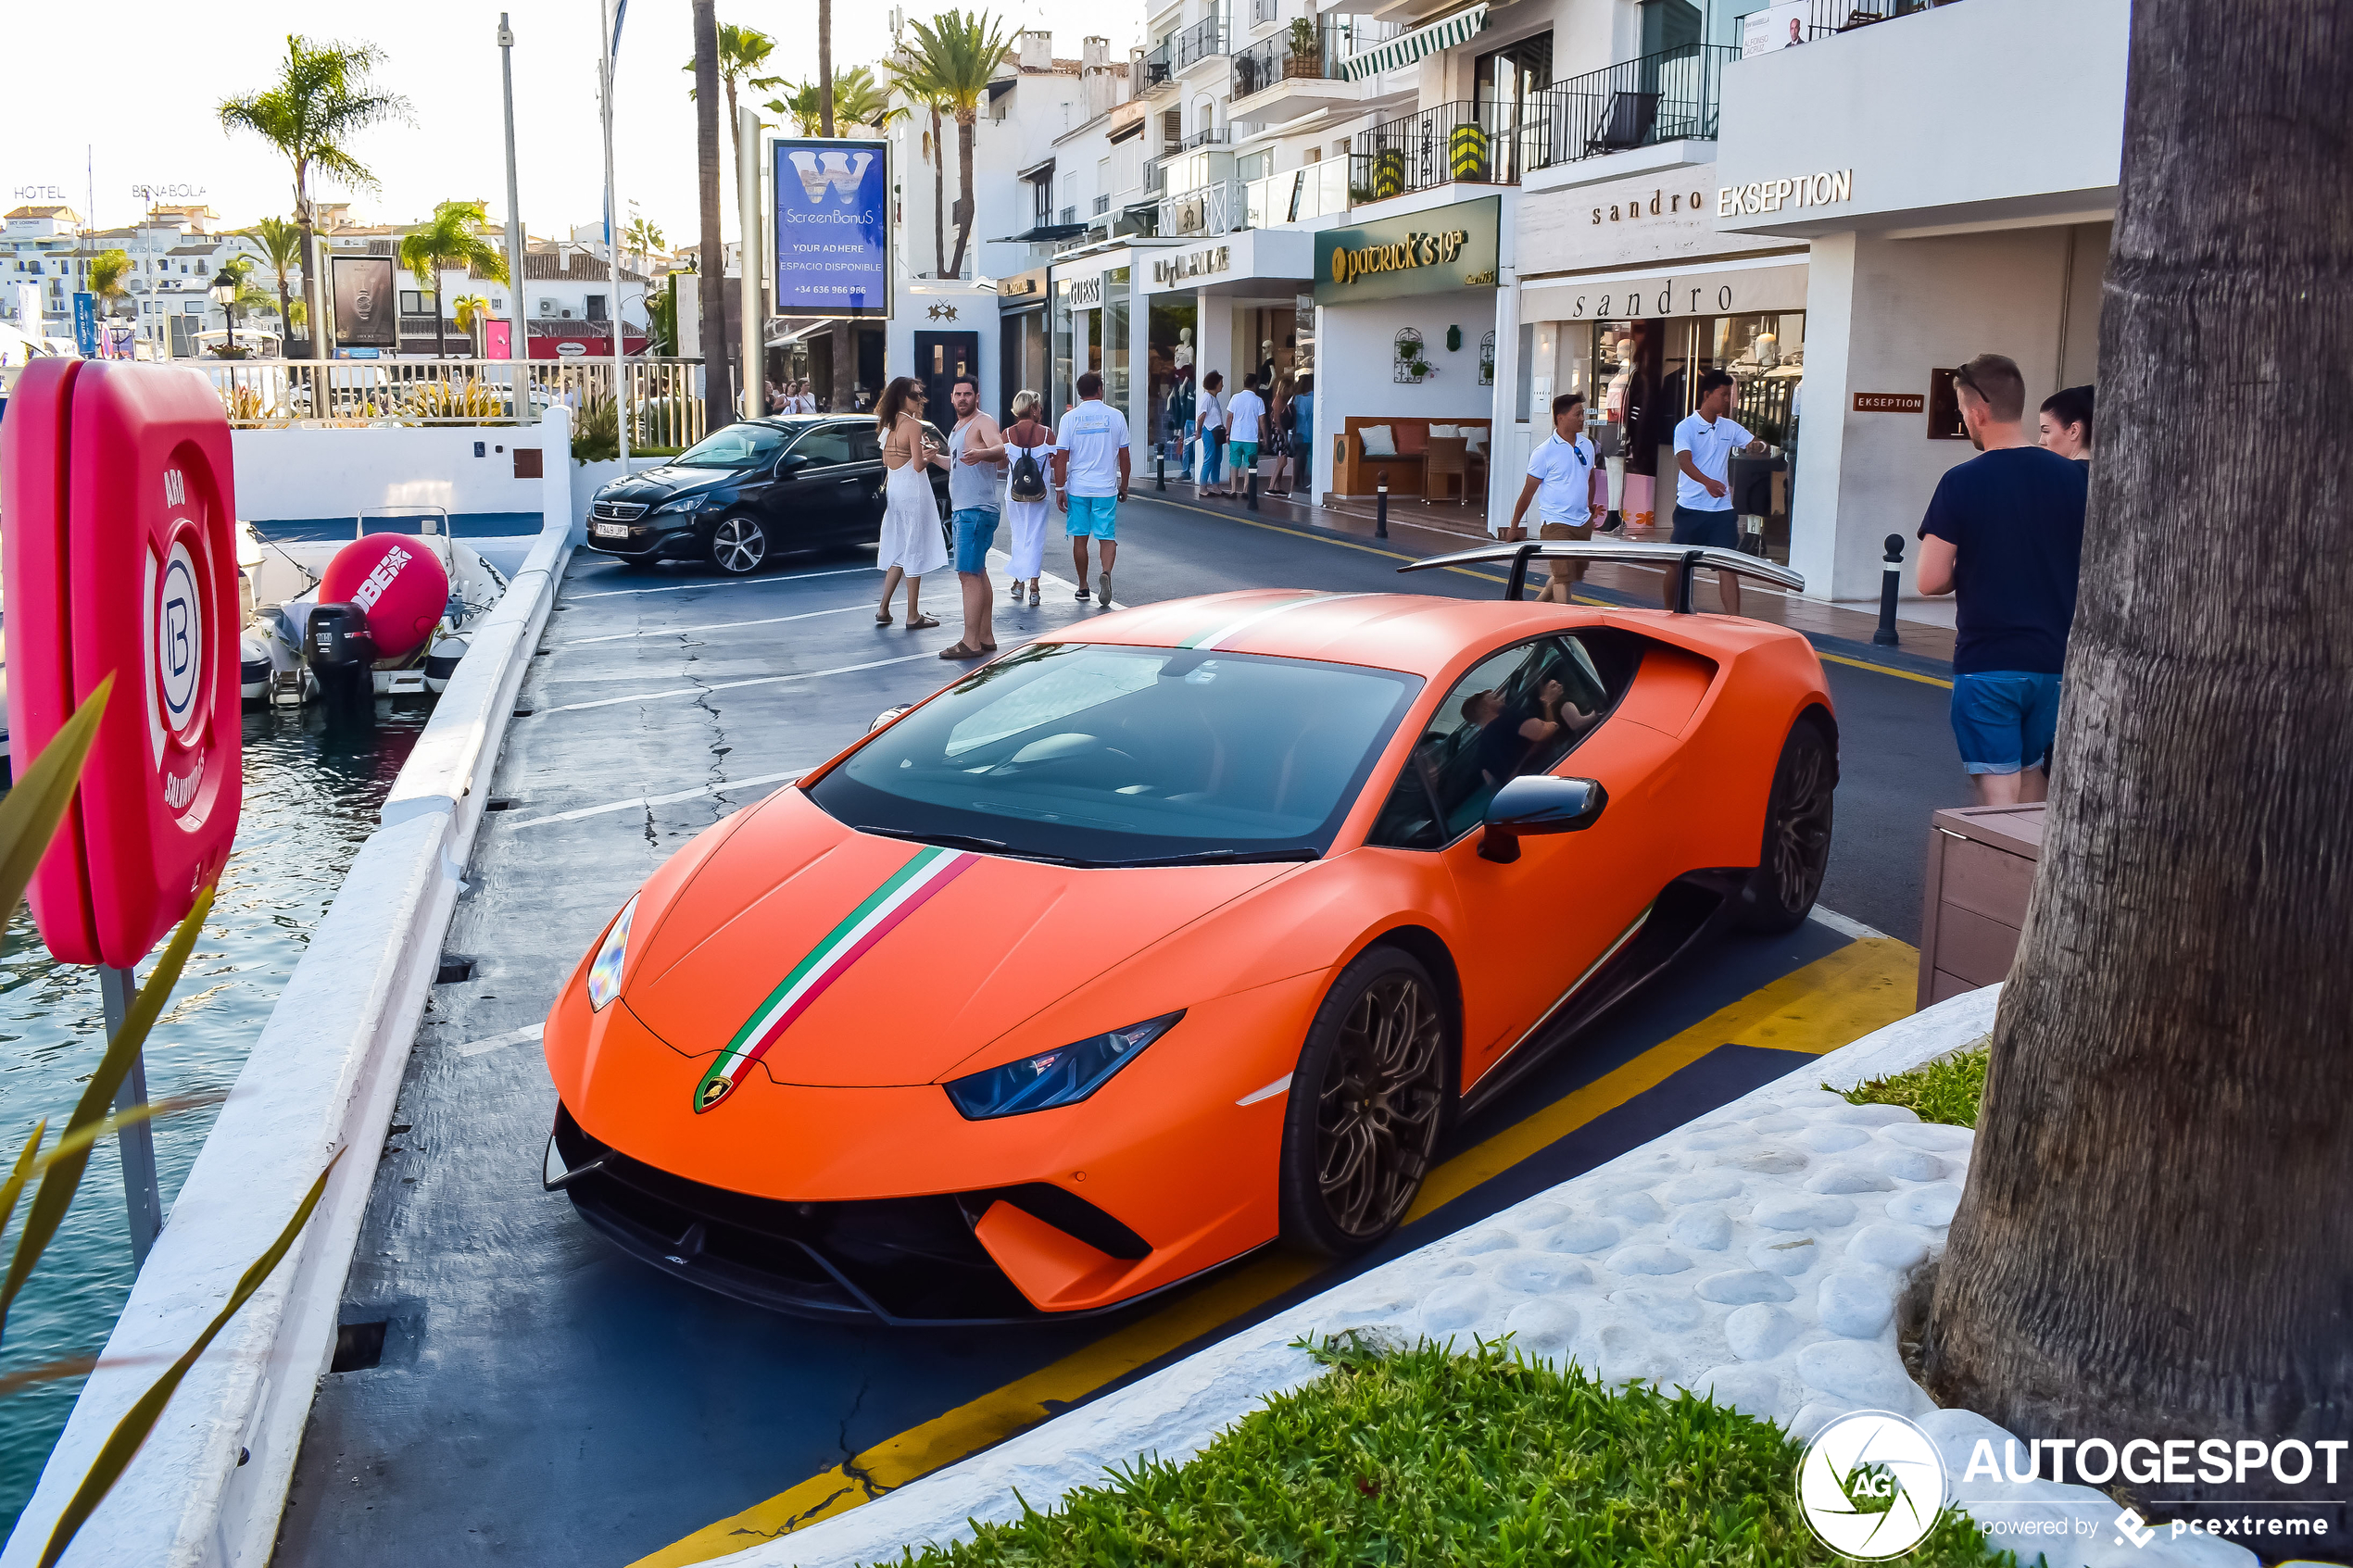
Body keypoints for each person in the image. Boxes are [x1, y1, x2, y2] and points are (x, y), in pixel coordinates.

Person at [1915, 352, 2089, 807]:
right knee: (2033, 782)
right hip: (2054, 662)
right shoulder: (2074, 478)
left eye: (1961, 412)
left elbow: (1930, 580)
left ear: (1979, 411)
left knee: (1999, 802)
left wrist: (1973, 564)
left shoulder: (1961, 481)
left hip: (1989, 661)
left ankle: (2003, 878)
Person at [1668, 368, 1766, 615]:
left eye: (1729, 395)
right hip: (1690, 508)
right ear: (1707, 394)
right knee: (1677, 565)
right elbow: (1684, 461)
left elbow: (1754, 443)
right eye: (1723, 394)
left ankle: (1735, 620)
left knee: (1727, 566)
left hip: (1722, 511)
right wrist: (1707, 482)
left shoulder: (1729, 427)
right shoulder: (1686, 427)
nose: (1727, 400)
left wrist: (1758, 446)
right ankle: (1669, 611)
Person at [1504, 391, 1609, 604]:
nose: (1582, 419)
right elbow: (1528, 492)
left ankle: (1535, 609)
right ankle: (1563, 621)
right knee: (1563, 576)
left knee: (1569, 575)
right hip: (1556, 522)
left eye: (1583, 414)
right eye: (1577, 414)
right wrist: (1514, 526)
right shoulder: (1544, 452)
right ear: (1560, 417)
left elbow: (1589, 478)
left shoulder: (1586, 445)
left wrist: (1589, 508)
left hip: (1581, 522)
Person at [873, 376, 950, 630]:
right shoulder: (913, 425)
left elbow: (887, 461)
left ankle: (884, 608)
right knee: (913, 547)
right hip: (913, 491)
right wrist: (929, 454)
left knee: (900, 549)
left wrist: (922, 451)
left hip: (895, 488)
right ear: (901, 397)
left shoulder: (887, 424)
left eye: (919, 394)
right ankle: (913, 614)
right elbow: (918, 465)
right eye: (914, 395)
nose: (919, 400)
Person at [940, 375, 1007, 660]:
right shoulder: (958, 427)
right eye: (959, 394)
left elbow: (1000, 449)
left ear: (976, 397)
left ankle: (970, 641)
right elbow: (957, 465)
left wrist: (982, 453)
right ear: (952, 398)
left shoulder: (983, 422)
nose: (963, 398)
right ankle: (984, 636)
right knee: (977, 571)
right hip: (969, 509)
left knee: (967, 574)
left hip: (974, 510)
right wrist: (934, 458)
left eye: (968, 394)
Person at [1053, 369, 1130, 606]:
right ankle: (1106, 573)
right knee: (1106, 536)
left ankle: (1083, 586)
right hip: (1105, 488)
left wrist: (1059, 488)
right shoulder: (1116, 416)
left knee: (1080, 539)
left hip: (1078, 488)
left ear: (1079, 393)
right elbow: (1124, 456)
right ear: (1100, 389)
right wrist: (1124, 486)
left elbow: (1061, 456)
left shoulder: (1068, 419)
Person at [1001, 391, 1053, 607]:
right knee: (1035, 538)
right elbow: (1057, 461)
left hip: (1014, 495)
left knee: (1018, 537)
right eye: (1038, 406)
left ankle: (1018, 582)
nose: (1040, 410)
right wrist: (1061, 488)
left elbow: (1000, 465)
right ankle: (1034, 587)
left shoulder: (1007, 434)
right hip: (1040, 494)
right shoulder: (1047, 434)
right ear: (1032, 408)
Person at [1225, 373, 1267, 497]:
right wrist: (1264, 436)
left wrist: (1227, 432)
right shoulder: (1258, 400)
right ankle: (1245, 490)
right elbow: (1262, 420)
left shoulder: (1235, 398)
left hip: (1236, 436)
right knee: (1249, 464)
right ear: (1255, 384)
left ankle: (1233, 489)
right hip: (1251, 437)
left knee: (1234, 463)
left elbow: (1229, 416)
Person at [2038, 383, 2094, 463]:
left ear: (2074, 431)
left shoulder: (2055, 472)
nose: (2041, 441)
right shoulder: (2111, 471)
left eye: (2046, 431)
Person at [1196, 370, 1228, 495]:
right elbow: (1201, 417)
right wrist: (1199, 432)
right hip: (1209, 431)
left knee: (1217, 459)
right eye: (1221, 383)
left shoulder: (1213, 398)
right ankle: (1203, 488)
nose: (1222, 385)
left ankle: (1215, 486)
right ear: (1215, 384)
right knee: (1209, 459)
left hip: (1216, 432)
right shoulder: (1207, 398)